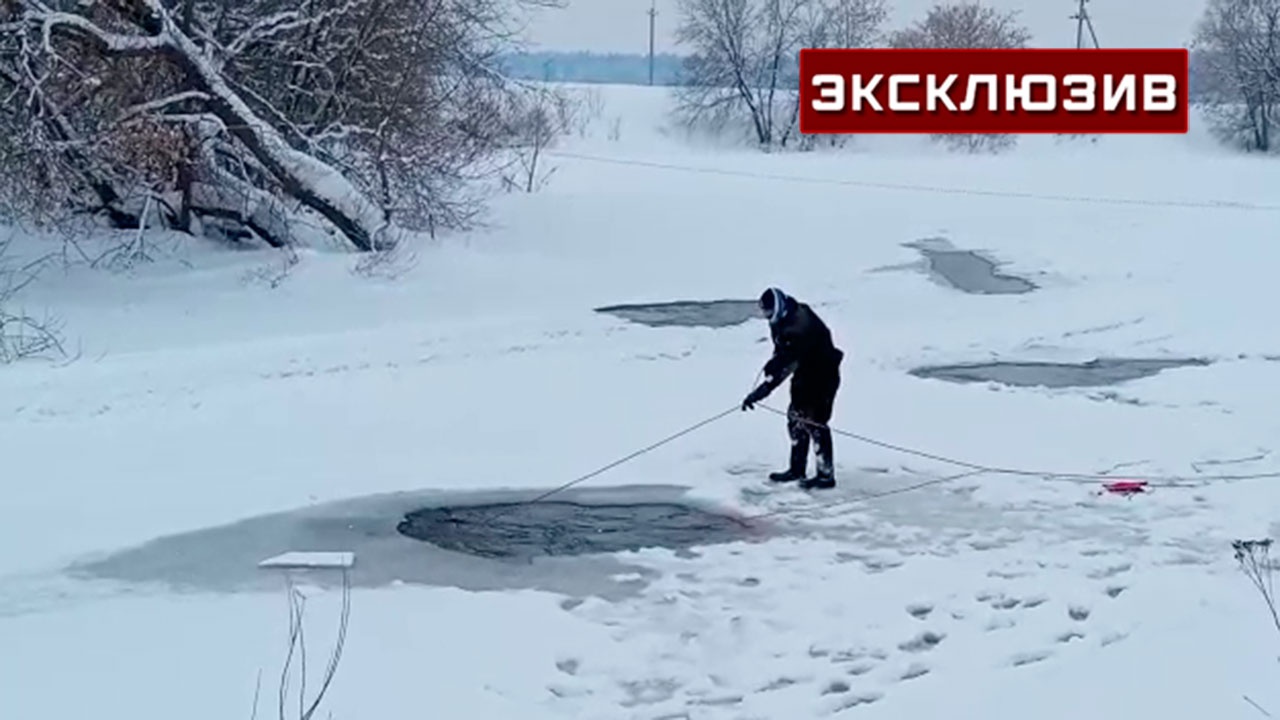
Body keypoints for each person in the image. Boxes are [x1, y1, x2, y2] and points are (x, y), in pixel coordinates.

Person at [741, 287, 844, 490]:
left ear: (778, 307)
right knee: (795, 417)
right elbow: (783, 350)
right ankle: (797, 469)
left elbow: (787, 361)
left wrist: (762, 390)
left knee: (815, 421)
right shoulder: (783, 318)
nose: (767, 317)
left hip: (824, 374)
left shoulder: (799, 326)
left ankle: (825, 476)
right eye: (765, 313)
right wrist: (775, 360)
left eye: (769, 312)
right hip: (805, 371)